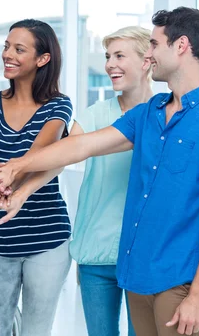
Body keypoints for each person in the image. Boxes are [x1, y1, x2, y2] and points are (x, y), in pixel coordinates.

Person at [0, 7, 199, 336]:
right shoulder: (149, 114)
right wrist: (15, 170)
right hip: (138, 276)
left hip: (181, 279)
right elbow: (81, 146)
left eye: (155, 44)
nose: (149, 54)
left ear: (181, 46)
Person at [0, 19, 73, 336]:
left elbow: (38, 154)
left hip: (47, 239)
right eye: (6, 46)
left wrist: (4, 179)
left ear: (42, 59)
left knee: (36, 329)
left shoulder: (58, 106)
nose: (8, 54)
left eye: (19, 49)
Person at [74, 26, 152, 336]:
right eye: (108, 56)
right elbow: (60, 156)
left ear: (147, 60)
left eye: (120, 55)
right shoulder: (94, 115)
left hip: (143, 255)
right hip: (96, 252)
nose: (109, 64)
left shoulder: (165, 116)